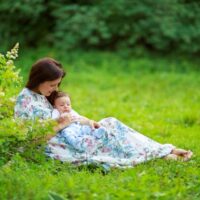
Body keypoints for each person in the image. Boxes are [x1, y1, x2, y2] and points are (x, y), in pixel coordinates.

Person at [14, 57, 193, 169]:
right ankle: (164, 153)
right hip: (58, 147)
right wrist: (62, 124)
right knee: (110, 132)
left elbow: (70, 115)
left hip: (72, 135)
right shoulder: (26, 101)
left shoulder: (45, 94)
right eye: (52, 84)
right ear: (39, 79)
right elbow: (31, 139)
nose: (56, 89)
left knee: (110, 124)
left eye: (58, 84)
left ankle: (163, 151)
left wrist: (88, 121)